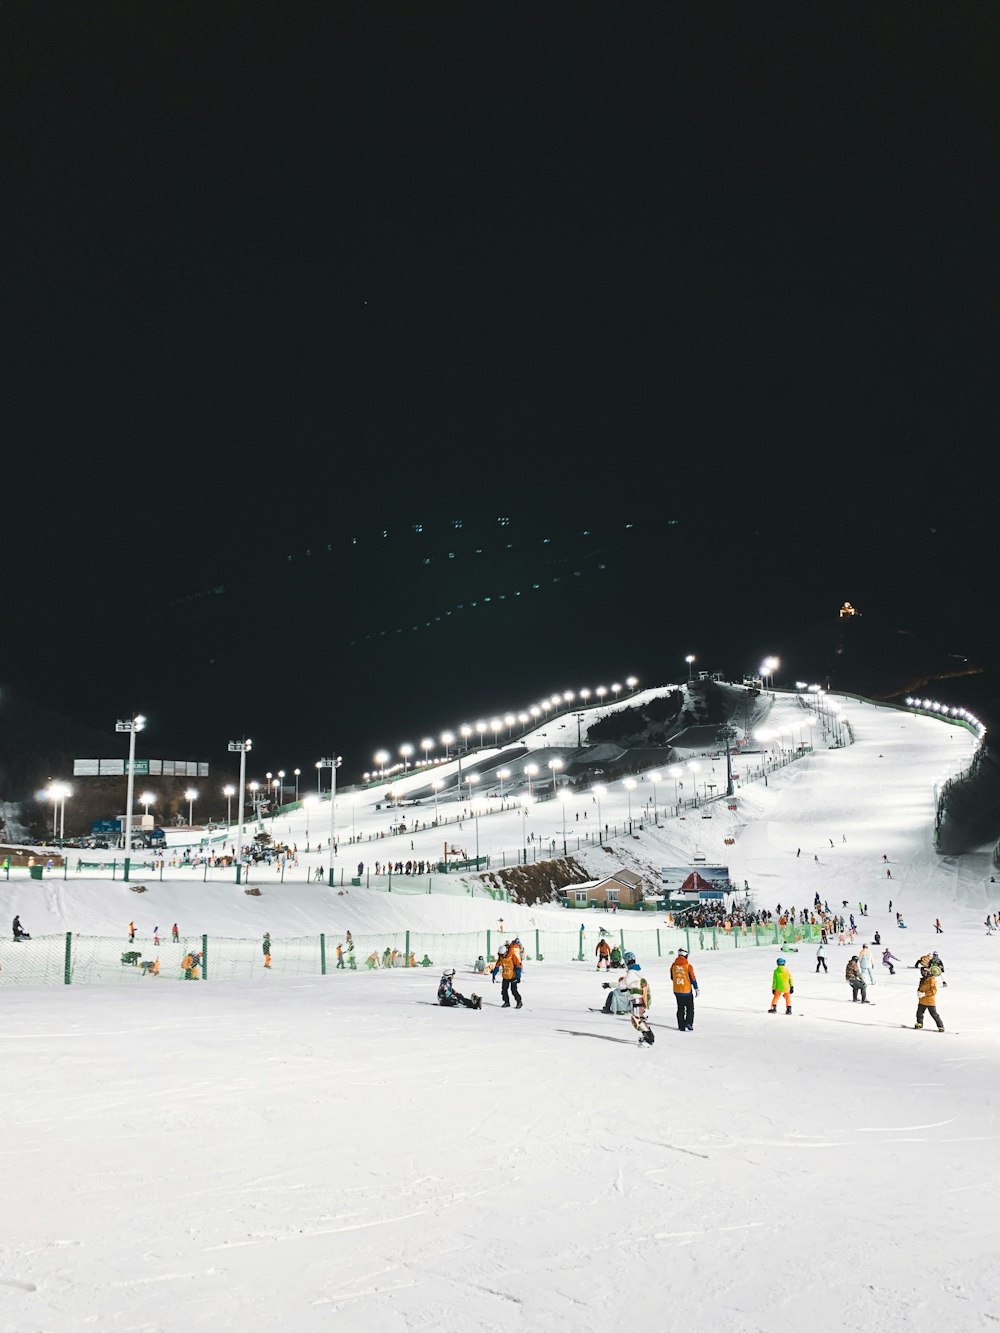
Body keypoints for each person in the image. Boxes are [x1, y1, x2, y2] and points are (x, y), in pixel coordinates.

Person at [670, 947, 698, 1031]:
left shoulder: (673, 966)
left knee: (680, 1008)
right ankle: (688, 1023)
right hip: (687, 991)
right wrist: (696, 988)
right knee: (690, 1008)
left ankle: (681, 1025)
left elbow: (672, 977)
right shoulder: (688, 966)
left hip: (677, 990)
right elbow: (692, 978)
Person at [914, 965, 944, 1031]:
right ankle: (919, 1023)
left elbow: (934, 991)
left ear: (927, 972)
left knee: (934, 1014)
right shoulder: (922, 979)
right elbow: (920, 988)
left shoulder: (931, 979)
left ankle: (940, 1026)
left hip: (930, 1001)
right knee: (919, 1013)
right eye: (921, 971)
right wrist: (919, 993)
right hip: (922, 1001)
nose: (922, 973)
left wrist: (924, 994)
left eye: (923, 971)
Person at [498, 943, 522, 1009]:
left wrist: (518, 976)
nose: (501, 956)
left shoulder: (512, 956)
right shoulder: (501, 956)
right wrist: (494, 973)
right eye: (500, 955)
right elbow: (498, 964)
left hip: (513, 976)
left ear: (506, 952)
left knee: (513, 990)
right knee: (504, 990)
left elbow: (518, 966)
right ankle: (506, 1002)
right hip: (505, 976)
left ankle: (519, 1002)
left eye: (502, 954)